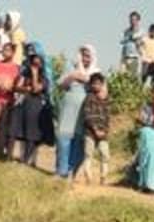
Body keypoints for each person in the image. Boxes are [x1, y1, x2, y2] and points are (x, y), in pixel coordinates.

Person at [55, 45, 99, 179]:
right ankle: (60, 171)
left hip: (84, 112)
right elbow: (61, 85)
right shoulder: (71, 67)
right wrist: (73, 77)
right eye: (83, 55)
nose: (85, 58)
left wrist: (85, 78)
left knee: (79, 141)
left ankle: (71, 171)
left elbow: (99, 88)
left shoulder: (96, 72)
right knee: (63, 139)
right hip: (69, 109)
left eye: (88, 56)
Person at [10, 42, 54, 167]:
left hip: (37, 108)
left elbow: (36, 89)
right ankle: (21, 157)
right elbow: (16, 87)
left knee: (32, 135)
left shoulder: (45, 77)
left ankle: (27, 160)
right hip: (24, 105)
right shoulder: (24, 73)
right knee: (21, 132)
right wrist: (26, 89)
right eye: (33, 59)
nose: (35, 61)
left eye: (37, 59)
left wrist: (34, 75)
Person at [76, 73, 112, 185]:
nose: (96, 86)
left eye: (99, 84)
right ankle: (89, 178)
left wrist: (104, 131)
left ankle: (103, 177)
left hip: (103, 133)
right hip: (90, 132)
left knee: (105, 155)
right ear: (90, 85)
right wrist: (95, 130)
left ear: (102, 85)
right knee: (88, 155)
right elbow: (87, 116)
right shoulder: (88, 98)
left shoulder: (106, 100)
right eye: (94, 83)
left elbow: (107, 117)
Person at [120, 12, 143, 77]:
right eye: (131, 19)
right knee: (123, 76)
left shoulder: (141, 31)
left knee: (133, 78)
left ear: (138, 20)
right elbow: (122, 41)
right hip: (125, 57)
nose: (132, 21)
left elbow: (137, 40)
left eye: (134, 20)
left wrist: (132, 38)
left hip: (134, 57)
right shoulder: (126, 31)